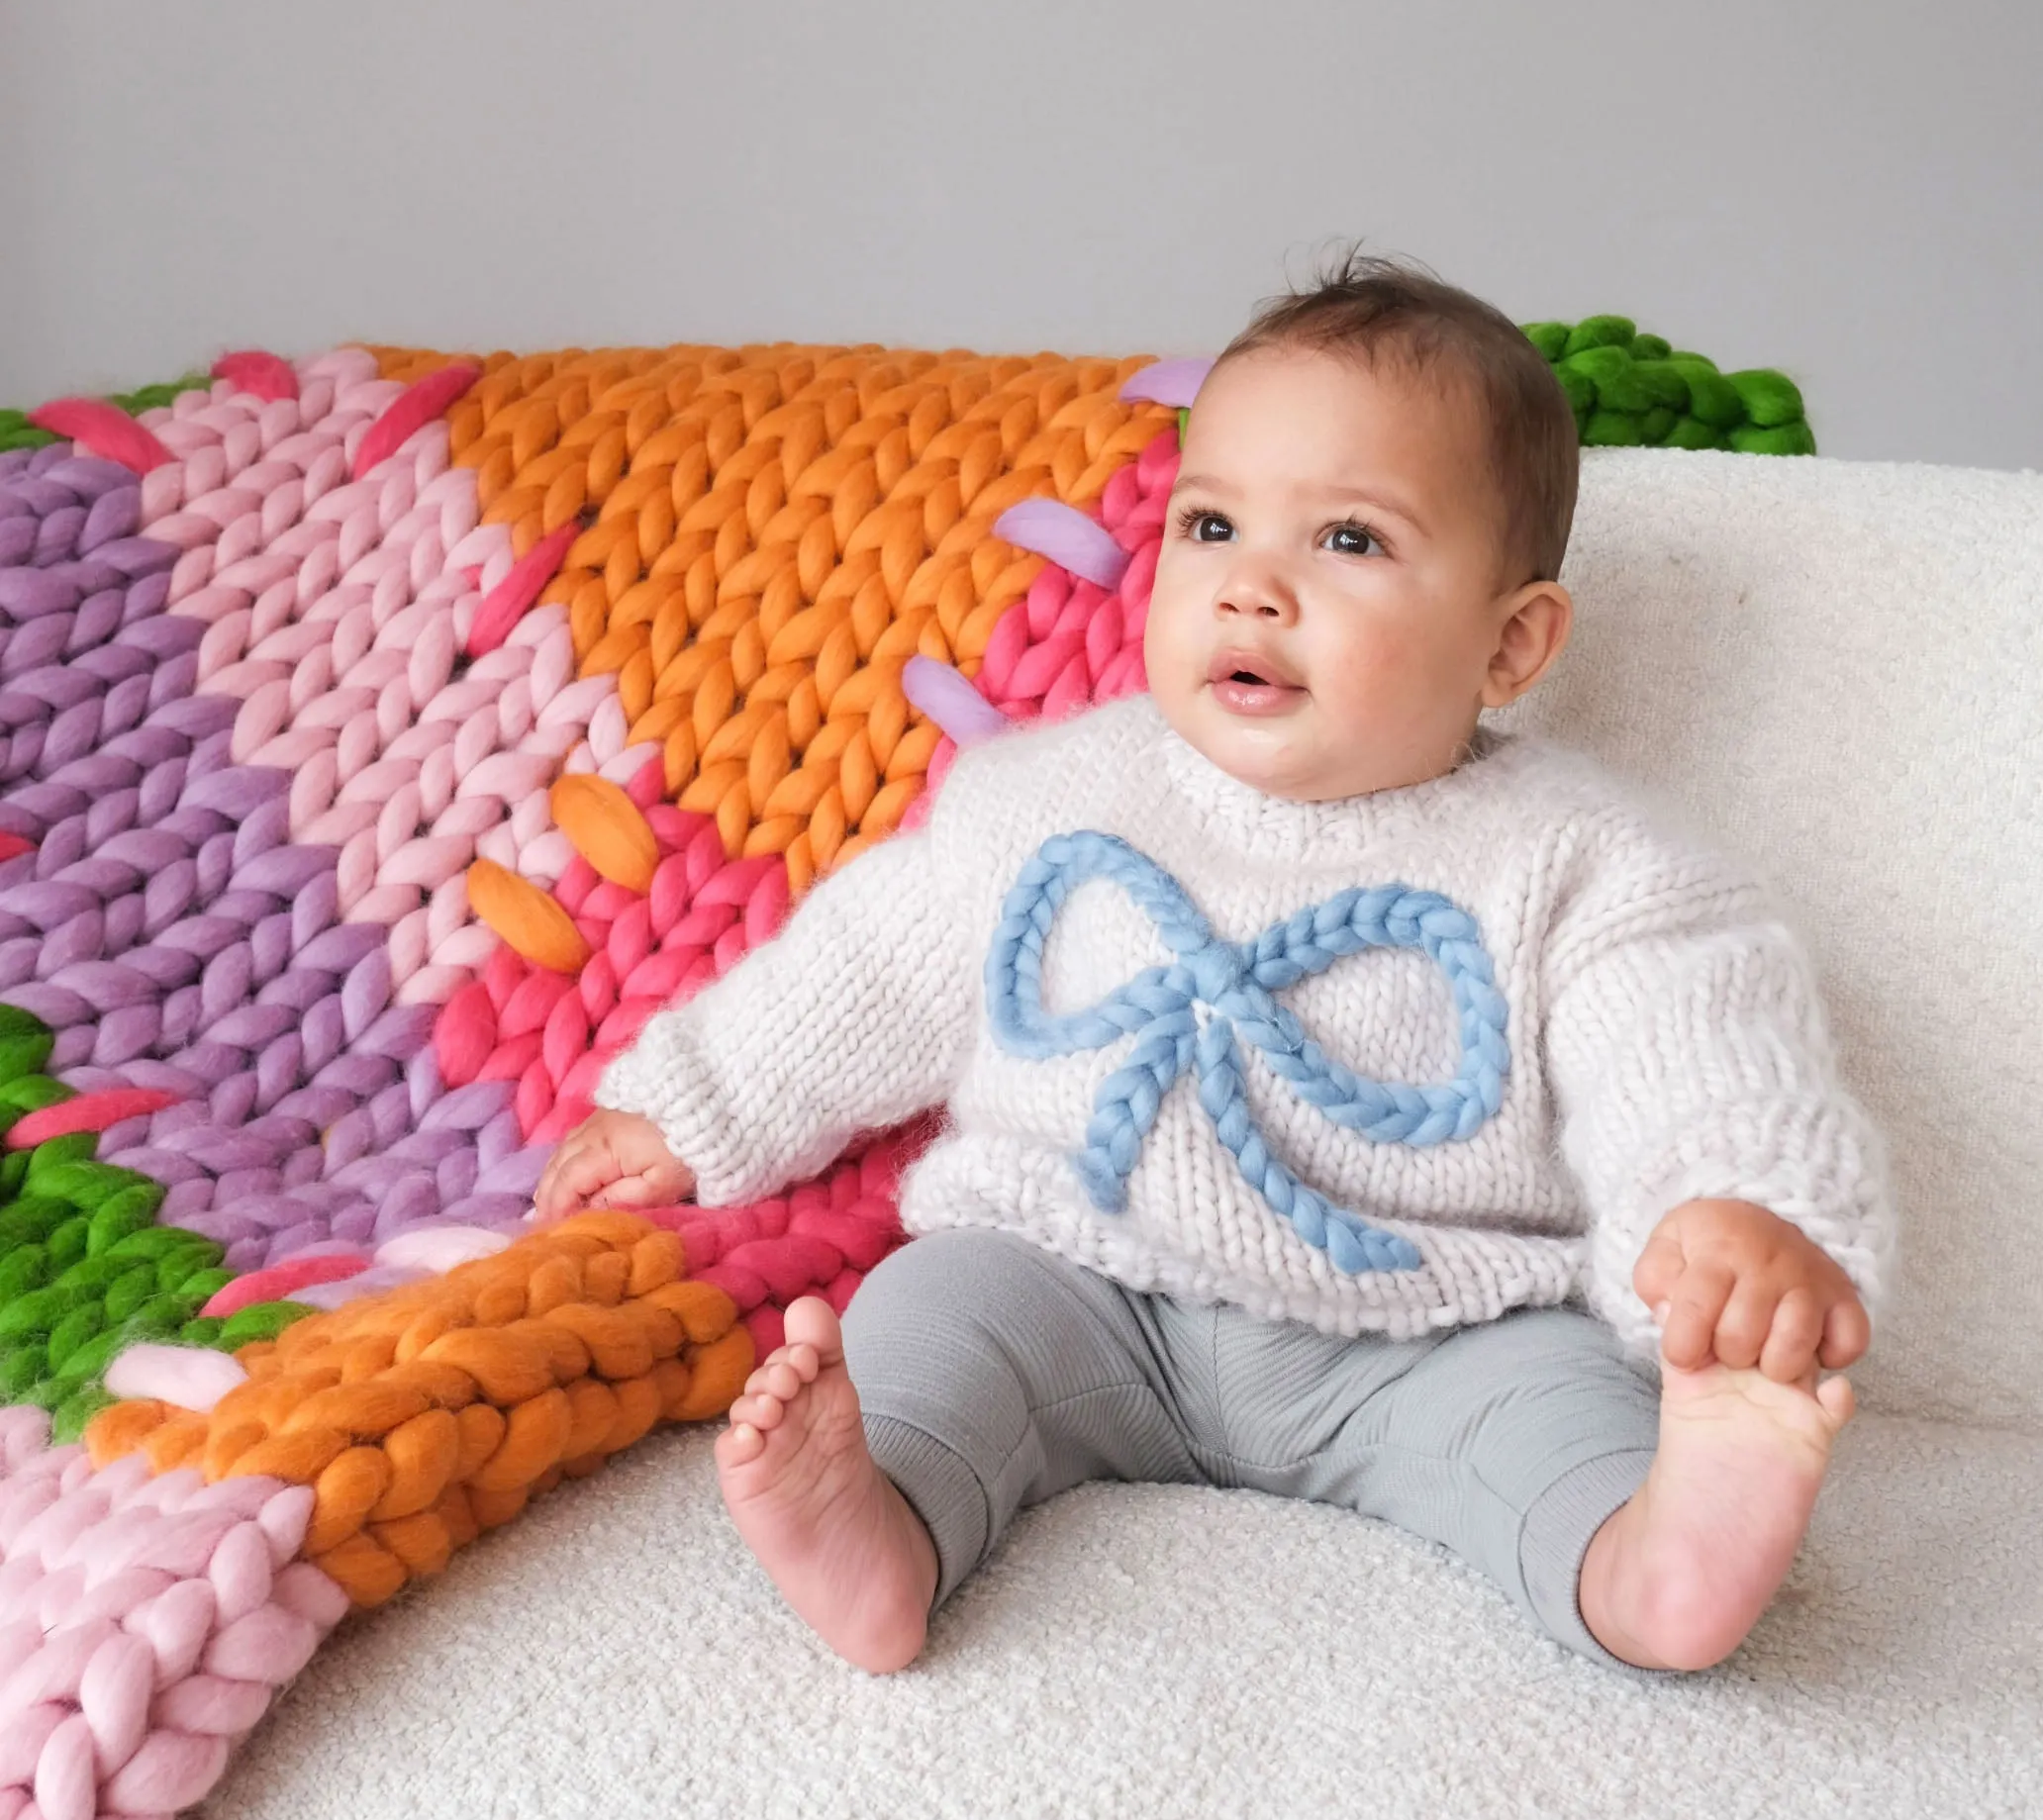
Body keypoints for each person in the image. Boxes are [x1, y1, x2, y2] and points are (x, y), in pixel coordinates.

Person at [534, 256, 1885, 1679]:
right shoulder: (1052, 801)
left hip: (1432, 1330)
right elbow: (873, 968)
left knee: (1552, 1413)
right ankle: (885, 1526)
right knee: (932, 1316)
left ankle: (1653, 1563)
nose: (1254, 587)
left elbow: (1692, 1055)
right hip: (1081, 1282)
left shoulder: (1576, 862)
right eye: (1214, 523)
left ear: (1511, 644)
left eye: (1349, 541)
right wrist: (695, 1107)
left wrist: (1733, 1216)